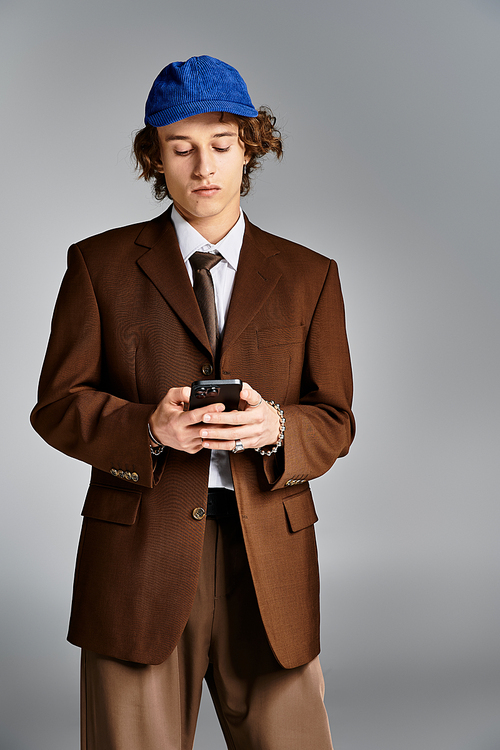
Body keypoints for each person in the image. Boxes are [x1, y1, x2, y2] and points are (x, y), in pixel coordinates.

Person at [31, 55, 355, 750]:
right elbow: (57, 404)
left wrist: (277, 427)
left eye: (220, 145)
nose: (202, 166)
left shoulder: (310, 276)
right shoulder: (97, 265)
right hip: (139, 561)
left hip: (270, 559)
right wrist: (146, 429)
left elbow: (335, 419)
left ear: (249, 148)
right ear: (156, 158)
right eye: (180, 149)